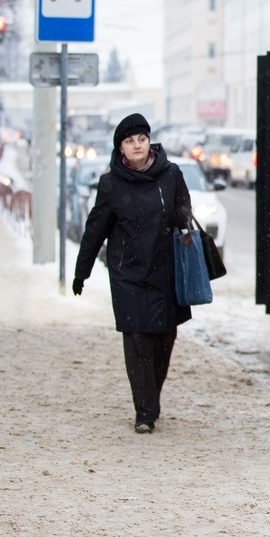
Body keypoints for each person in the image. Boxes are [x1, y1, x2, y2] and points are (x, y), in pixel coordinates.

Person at [73, 114, 192, 434]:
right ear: (120, 149)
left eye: (141, 138)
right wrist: (81, 272)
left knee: (165, 338)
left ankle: (150, 396)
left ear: (148, 141)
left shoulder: (171, 174)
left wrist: (182, 216)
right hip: (129, 274)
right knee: (138, 339)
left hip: (165, 270)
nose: (137, 145)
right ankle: (145, 411)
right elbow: (95, 228)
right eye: (129, 141)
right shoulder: (111, 184)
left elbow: (184, 210)